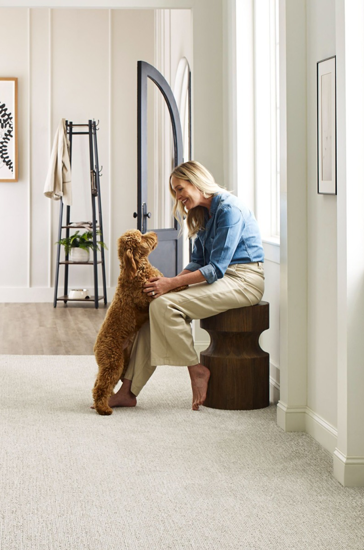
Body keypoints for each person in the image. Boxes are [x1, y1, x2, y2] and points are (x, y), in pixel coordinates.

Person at [108, 160, 265, 410]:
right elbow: (198, 262)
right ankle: (127, 391)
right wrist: (172, 284)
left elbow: (215, 268)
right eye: (175, 192)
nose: (178, 197)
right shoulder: (203, 213)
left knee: (164, 306)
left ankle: (195, 370)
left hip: (244, 280)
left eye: (180, 189)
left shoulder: (229, 209)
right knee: (154, 308)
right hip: (224, 278)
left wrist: (172, 284)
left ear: (197, 181)